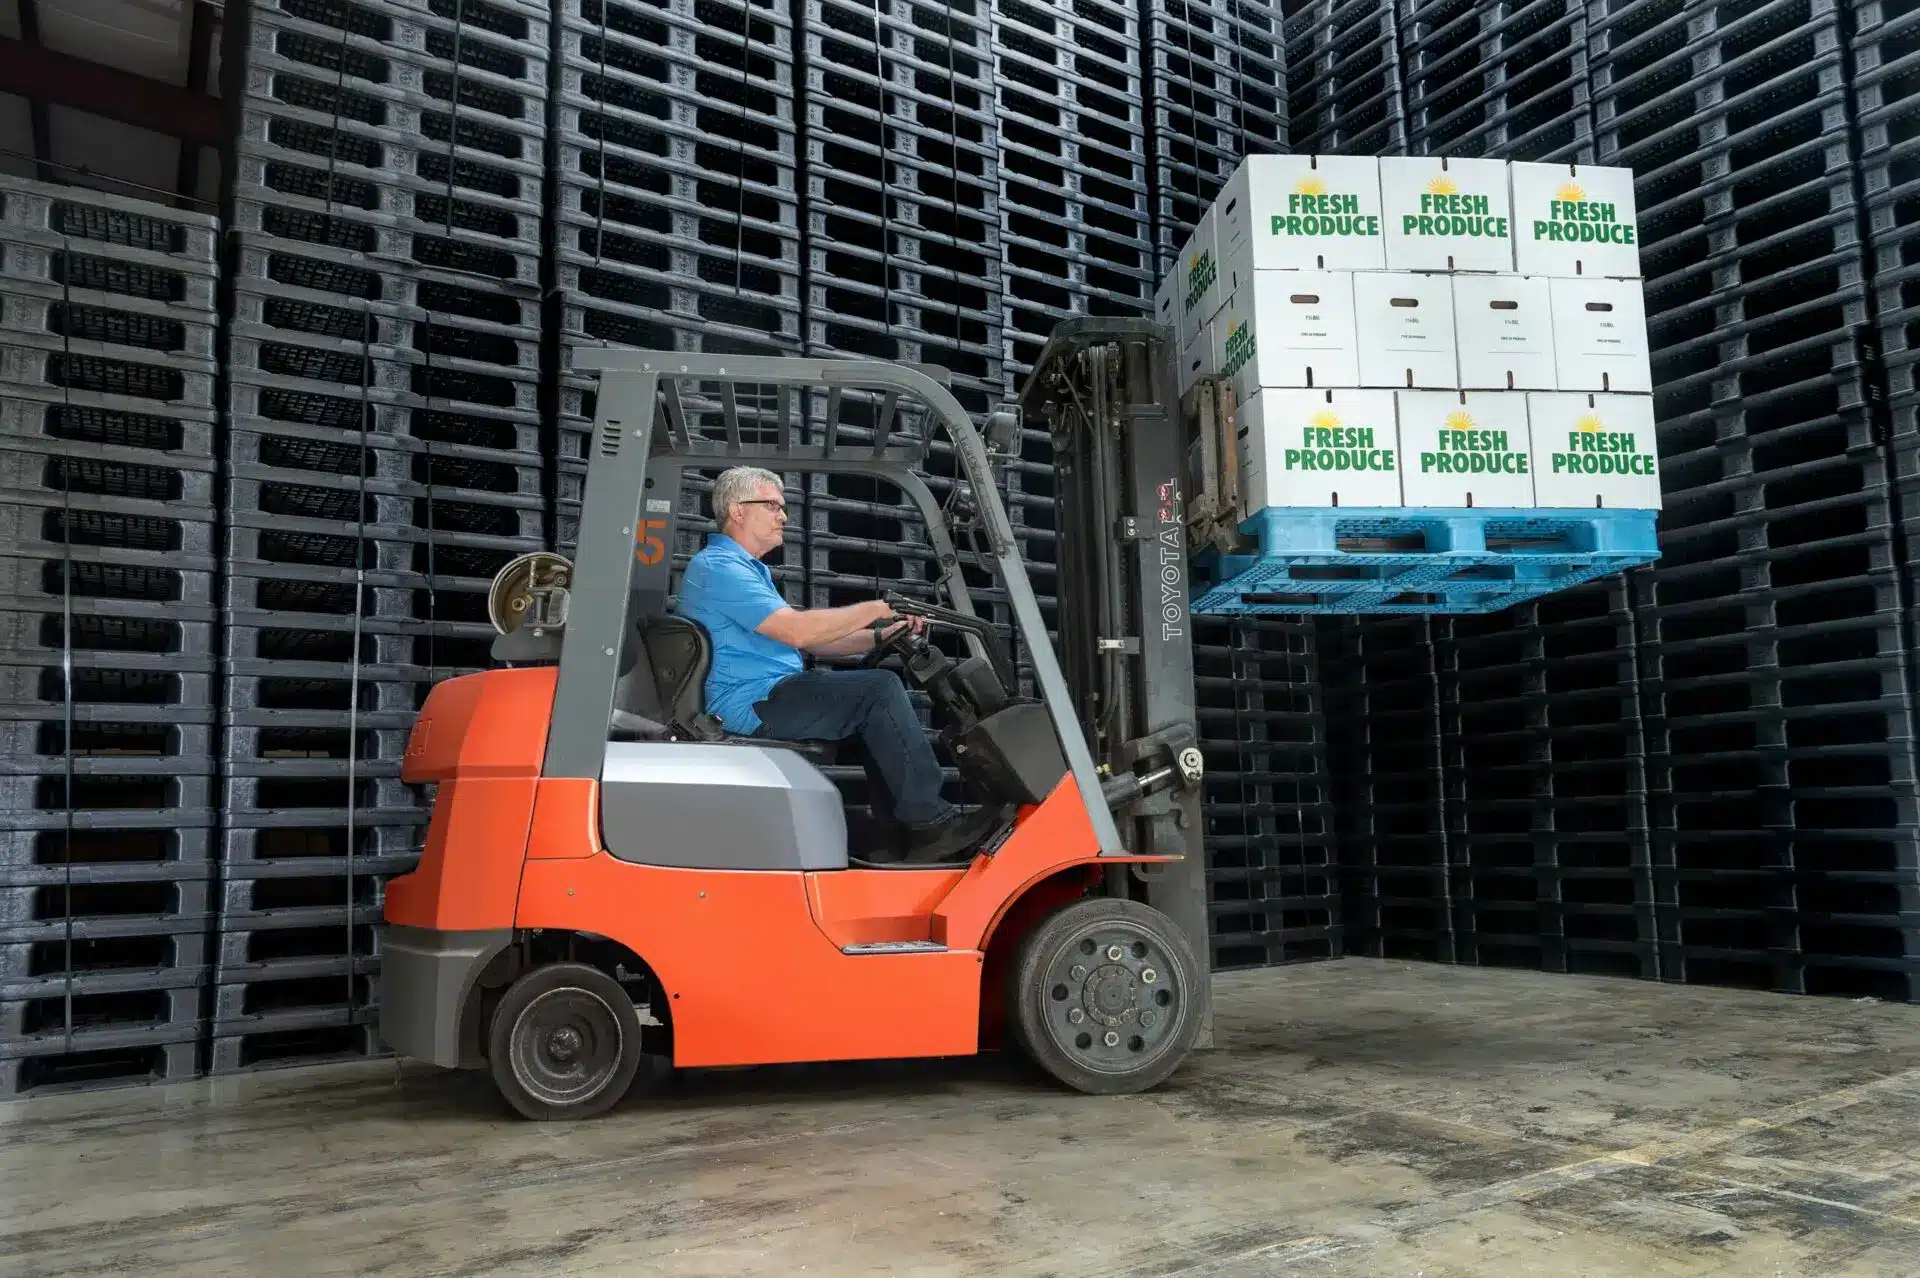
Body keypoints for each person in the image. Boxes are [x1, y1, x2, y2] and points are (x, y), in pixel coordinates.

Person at [675, 465, 1004, 863]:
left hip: (769, 691)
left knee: (868, 703)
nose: (784, 515)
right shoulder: (720, 568)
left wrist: (884, 634)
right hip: (750, 703)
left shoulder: (745, 570)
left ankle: (894, 838)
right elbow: (799, 633)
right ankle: (929, 822)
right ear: (738, 510)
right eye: (773, 505)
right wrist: (875, 608)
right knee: (877, 691)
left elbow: (816, 643)